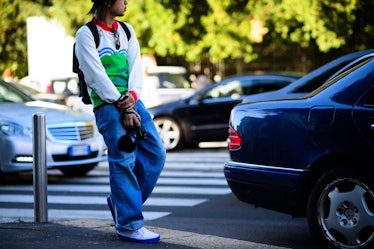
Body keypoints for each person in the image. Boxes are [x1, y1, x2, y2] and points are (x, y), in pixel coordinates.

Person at [75, 0, 166, 244]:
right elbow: (95, 76)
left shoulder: (126, 30)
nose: (127, 2)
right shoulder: (86, 34)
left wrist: (132, 98)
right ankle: (129, 224)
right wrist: (121, 105)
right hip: (107, 105)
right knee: (124, 158)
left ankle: (120, 201)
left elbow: (136, 68)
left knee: (156, 153)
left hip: (132, 101)